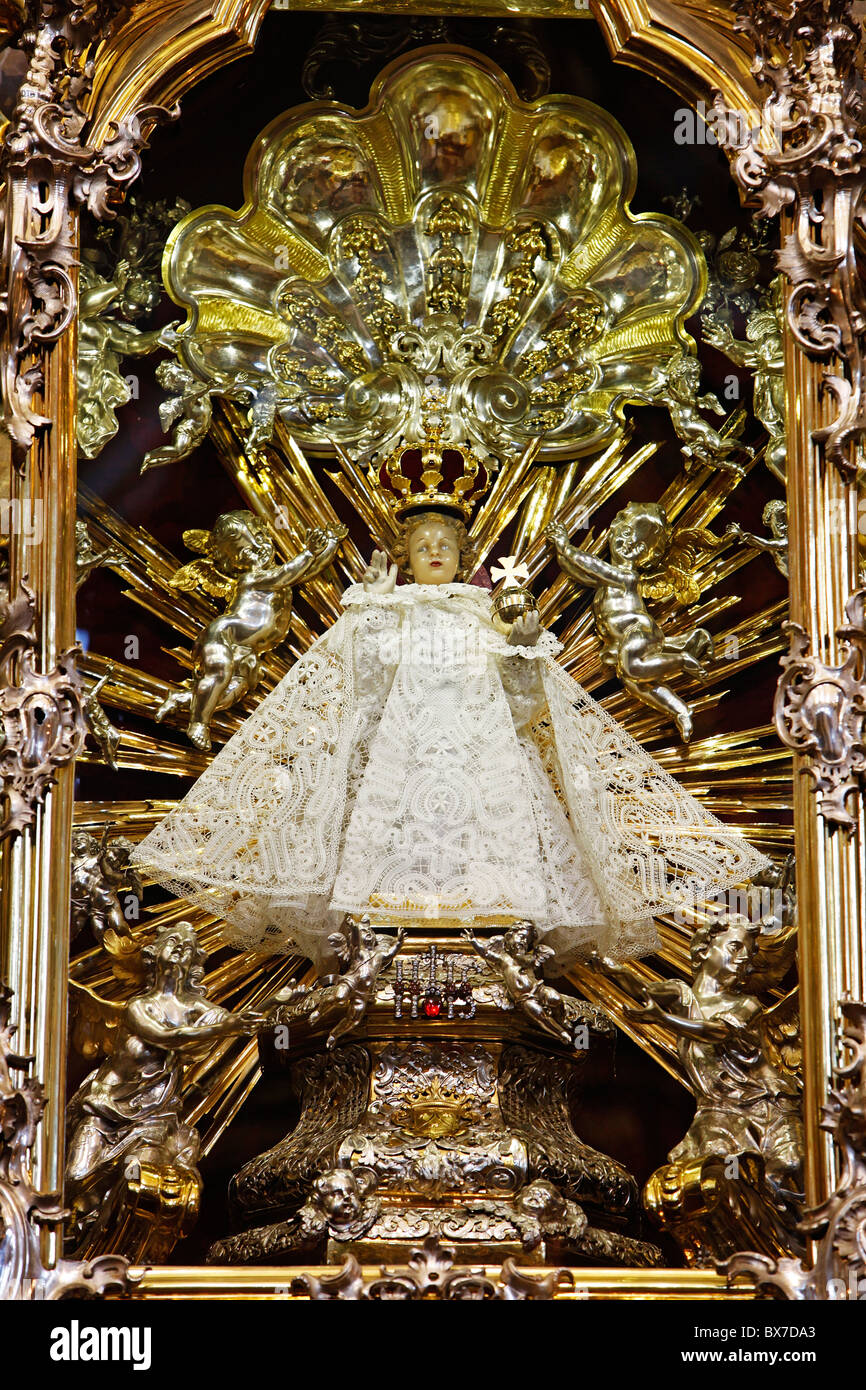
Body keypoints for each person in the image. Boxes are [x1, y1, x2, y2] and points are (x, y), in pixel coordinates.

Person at [132, 510, 768, 969]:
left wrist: (520, 647)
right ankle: (388, 925)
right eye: (421, 544)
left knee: (492, 849)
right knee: (386, 848)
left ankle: (492, 926)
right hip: (402, 759)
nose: (434, 551)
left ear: (465, 557)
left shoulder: (489, 614)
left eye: (445, 543)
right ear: (404, 559)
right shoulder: (385, 614)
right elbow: (366, 693)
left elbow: (522, 708)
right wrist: (375, 611)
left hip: (482, 758)